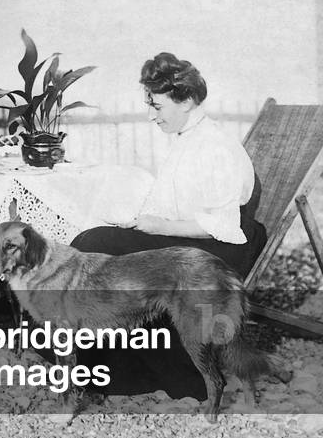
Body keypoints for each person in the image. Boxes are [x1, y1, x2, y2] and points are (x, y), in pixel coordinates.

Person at [69, 51, 267, 400]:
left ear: (187, 100)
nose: (150, 116)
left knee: (94, 245)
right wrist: (142, 222)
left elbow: (221, 225)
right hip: (193, 241)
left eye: (156, 106)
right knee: (92, 240)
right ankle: (110, 367)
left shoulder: (214, 146)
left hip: (217, 251)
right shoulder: (189, 138)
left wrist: (158, 227)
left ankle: (125, 371)